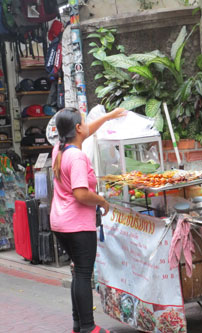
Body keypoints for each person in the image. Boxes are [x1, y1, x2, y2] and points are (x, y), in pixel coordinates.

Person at [50, 107, 126, 333]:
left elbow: (88, 130)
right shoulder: (77, 157)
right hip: (77, 225)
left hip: (60, 222)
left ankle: (78, 325)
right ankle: (89, 328)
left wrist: (109, 116)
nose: (87, 125)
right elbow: (81, 193)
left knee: (77, 272)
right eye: (84, 122)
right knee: (84, 273)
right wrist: (102, 201)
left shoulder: (59, 149)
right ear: (77, 128)